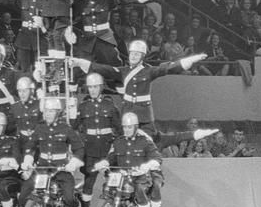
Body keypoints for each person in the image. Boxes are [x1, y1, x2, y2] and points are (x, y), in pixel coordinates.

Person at [72, 39, 207, 137]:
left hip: (144, 113)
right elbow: (104, 69)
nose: (133, 56)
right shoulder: (123, 71)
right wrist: (80, 62)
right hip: (128, 109)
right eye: (131, 54)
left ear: (142, 57)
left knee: (147, 139)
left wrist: (190, 60)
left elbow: (167, 68)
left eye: (137, 54)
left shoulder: (149, 71)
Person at [65, 0, 160, 65]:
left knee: (114, 64)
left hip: (105, 38)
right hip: (87, 41)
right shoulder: (79, 3)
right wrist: (68, 30)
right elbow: (67, 18)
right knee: (81, 66)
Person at [94, 112, 163, 207]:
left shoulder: (144, 141)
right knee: (108, 188)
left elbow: (157, 158)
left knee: (139, 188)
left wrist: (147, 165)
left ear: (135, 127)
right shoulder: (118, 141)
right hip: (122, 175)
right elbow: (112, 157)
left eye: (129, 127)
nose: (127, 129)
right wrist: (104, 163)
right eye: (125, 127)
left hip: (140, 175)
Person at [19, 98, 84, 207]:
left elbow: (79, 149)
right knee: (23, 195)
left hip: (61, 169)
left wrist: (73, 163)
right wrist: (28, 159)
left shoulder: (66, 129)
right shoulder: (39, 128)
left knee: (69, 198)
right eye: (46, 111)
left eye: (51, 111)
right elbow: (30, 146)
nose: (48, 114)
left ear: (58, 113)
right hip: (42, 169)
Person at [73, 72, 119, 207]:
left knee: (112, 181)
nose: (92, 90)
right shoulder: (83, 106)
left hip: (107, 148)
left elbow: (118, 129)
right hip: (90, 148)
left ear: (101, 87)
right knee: (88, 183)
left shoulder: (110, 105)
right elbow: (73, 128)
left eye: (95, 87)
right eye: (90, 87)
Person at [10, 76, 42, 155]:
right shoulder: (15, 107)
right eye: (19, 91)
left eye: (25, 91)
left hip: (38, 142)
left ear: (31, 91)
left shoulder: (40, 105)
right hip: (22, 142)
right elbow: (11, 127)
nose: (22, 94)